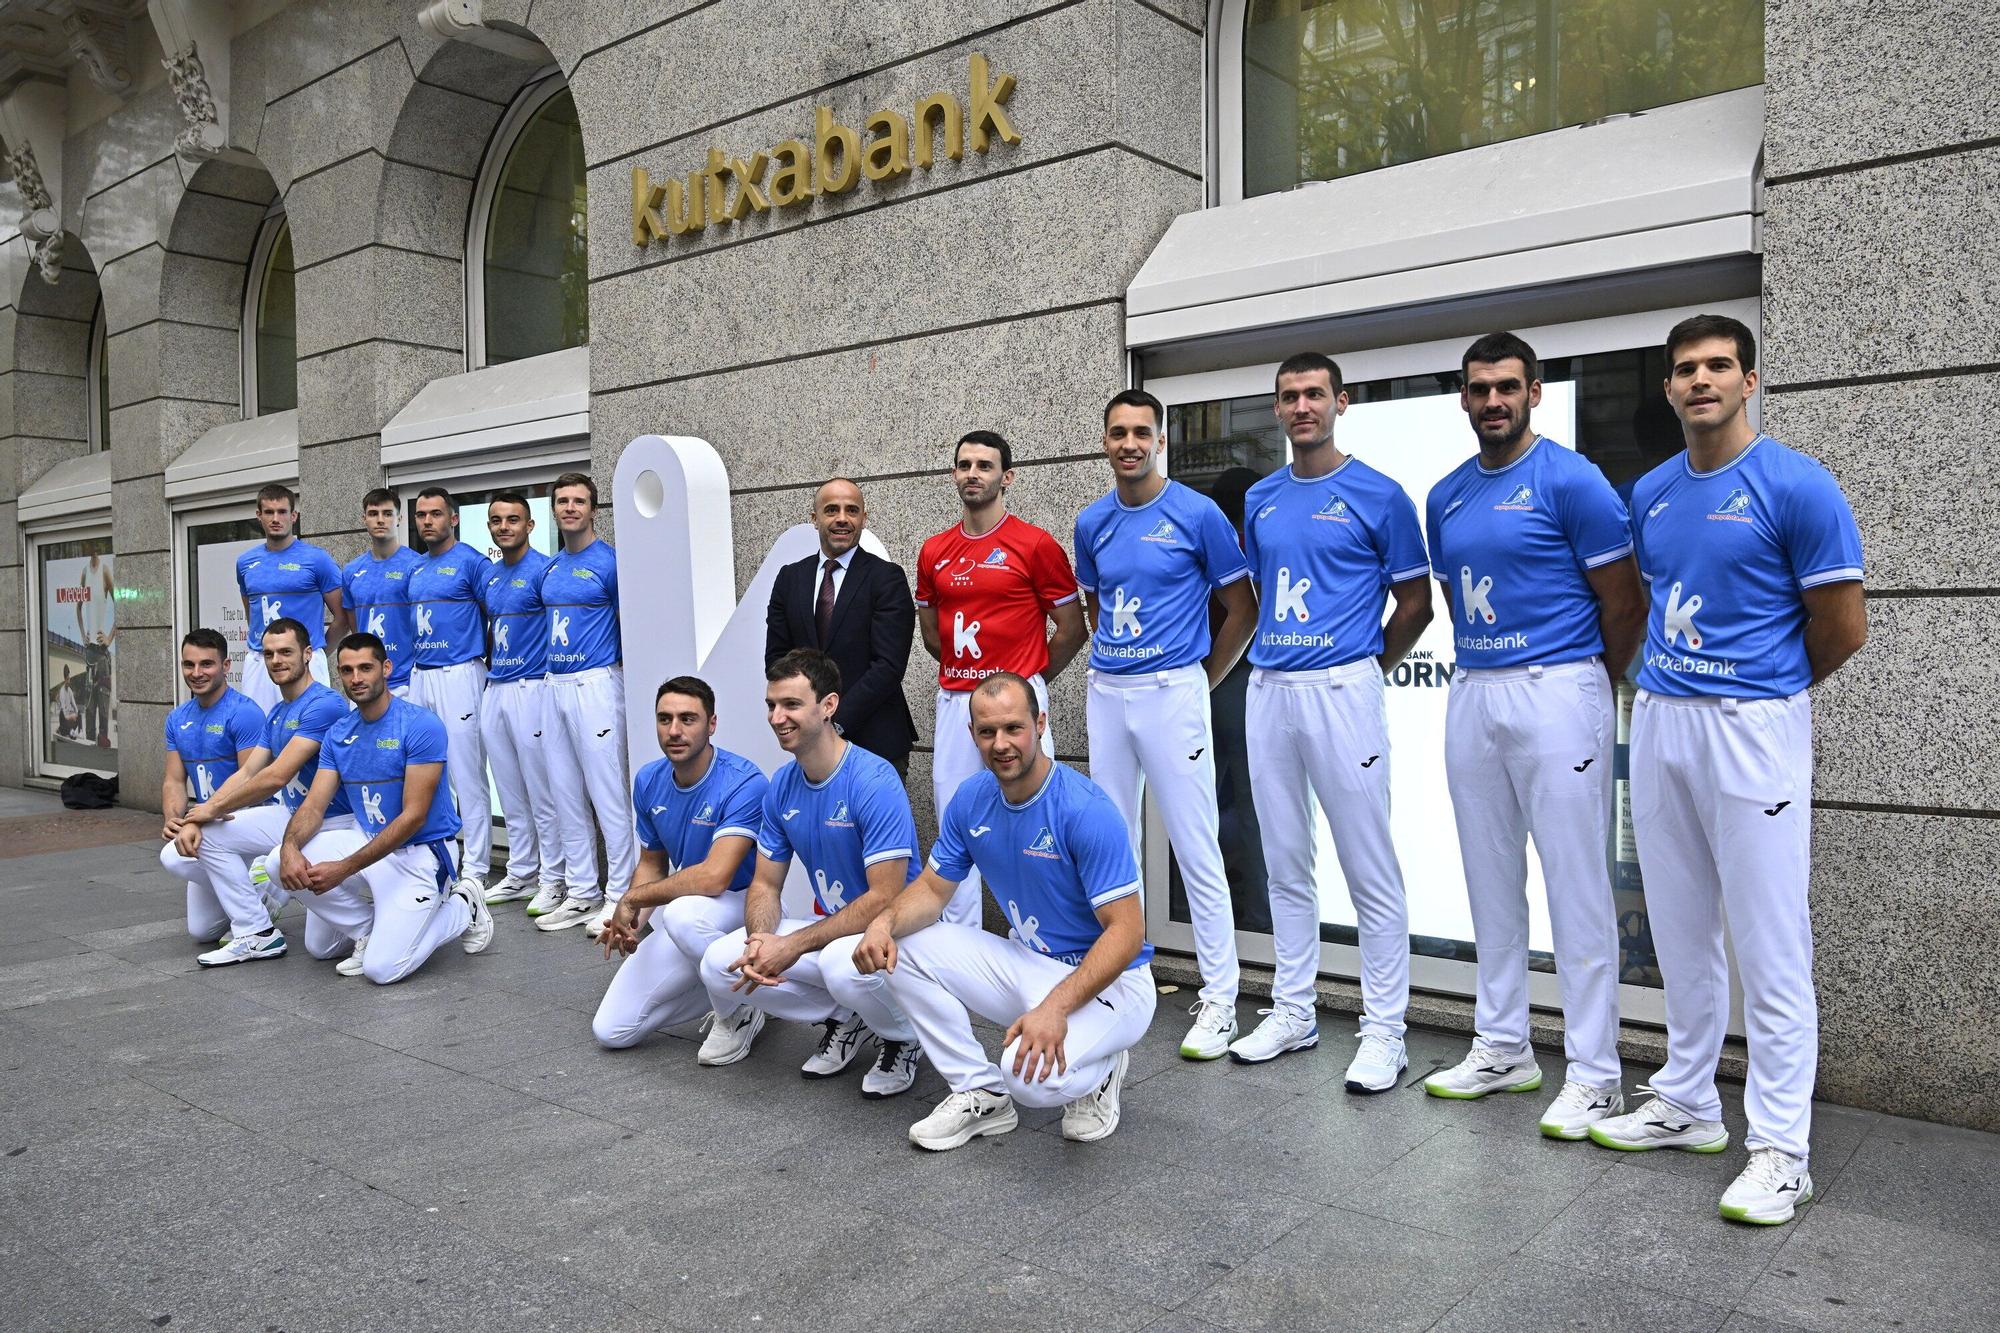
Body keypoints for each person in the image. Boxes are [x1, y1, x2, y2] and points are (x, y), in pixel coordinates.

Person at [1587, 314, 1866, 1227]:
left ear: (1749, 380)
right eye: (1684, 370)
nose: (1699, 380)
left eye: (1717, 366)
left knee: (1770, 939)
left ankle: (1782, 1149)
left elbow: (1841, 626)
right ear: (1668, 389)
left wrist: (1768, 691)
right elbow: (1646, 602)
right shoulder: (1654, 491)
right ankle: (1688, 1099)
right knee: (1680, 925)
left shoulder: (1797, 484)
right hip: (1663, 721)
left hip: (1753, 727)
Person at [1420, 332, 1645, 1139]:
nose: (1493, 402)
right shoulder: (1444, 495)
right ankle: (1503, 1045)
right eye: (1479, 389)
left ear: (1535, 391)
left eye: (1507, 387)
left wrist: (1590, 678)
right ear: (1463, 397)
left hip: (1561, 684)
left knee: (1576, 886)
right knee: (1488, 878)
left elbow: (1624, 603)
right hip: (1477, 687)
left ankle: (1596, 1074)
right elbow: (1452, 594)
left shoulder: (1572, 480)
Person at [840, 672, 1155, 1149]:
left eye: (1013, 728)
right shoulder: (971, 799)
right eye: (987, 732)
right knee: (900, 946)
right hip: (1029, 965)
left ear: (1040, 723)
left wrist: (1055, 1008)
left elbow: (1127, 933)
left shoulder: (1085, 809)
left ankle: (1101, 1070)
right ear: (972, 736)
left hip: (1114, 983)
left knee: (1029, 1079)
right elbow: (930, 889)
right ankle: (978, 1090)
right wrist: (882, 924)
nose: (1001, 744)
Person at [1232, 352, 1433, 1090]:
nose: (1302, 406)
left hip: (1342, 686)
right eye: (1289, 396)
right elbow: (1258, 591)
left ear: (1340, 402)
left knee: (1367, 864)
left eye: (1315, 393)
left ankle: (1386, 1031)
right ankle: (1295, 1009)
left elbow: (1416, 603)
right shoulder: (1260, 497)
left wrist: (1361, 667)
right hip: (1271, 685)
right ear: (1278, 408)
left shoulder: (1379, 494)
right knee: (1284, 858)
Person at [1073, 388, 1258, 1061]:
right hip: (1109, 690)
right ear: (1105, 440)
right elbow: (1096, 601)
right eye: (1117, 431)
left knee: (1194, 842)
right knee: (1111, 842)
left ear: (1160, 441)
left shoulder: (1197, 513)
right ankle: (1127, 974)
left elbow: (1242, 606)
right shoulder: (1091, 522)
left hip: (1172, 689)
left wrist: (1198, 679)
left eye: (1141, 432)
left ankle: (1219, 999)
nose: (1129, 443)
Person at [696, 649, 926, 1097]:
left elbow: (884, 897)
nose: (777, 717)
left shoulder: (873, 779)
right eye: (771, 705)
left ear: (829, 706)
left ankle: (905, 1035)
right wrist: (761, 938)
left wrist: (792, 946)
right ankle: (850, 1015)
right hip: (837, 932)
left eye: (791, 705)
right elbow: (765, 882)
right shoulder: (782, 784)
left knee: (843, 966)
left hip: (898, 935)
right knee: (717, 964)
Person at [915, 430, 1087, 924]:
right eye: (964, 464)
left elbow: (1072, 628)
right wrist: (972, 680)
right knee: (956, 820)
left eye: (985, 465)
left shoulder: (1034, 544)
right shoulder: (934, 550)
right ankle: (959, 950)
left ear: (1006, 477)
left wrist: (1025, 684)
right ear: (954, 474)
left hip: (1019, 703)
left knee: (1037, 822)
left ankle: (1044, 941)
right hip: (957, 704)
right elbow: (932, 634)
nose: (973, 473)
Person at [276, 632, 495, 984]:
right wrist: (289, 847)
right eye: (347, 671)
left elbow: (414, 816)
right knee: (282, 871)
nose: (356, 678)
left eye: (365, 668)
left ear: (386, 668)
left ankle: (462, 907)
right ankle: (367, 928)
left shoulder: (420, 725)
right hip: (369, 845)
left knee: (382, 970)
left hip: (421, 855)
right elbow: (314, 806)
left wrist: (344, 869)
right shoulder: (338, 732)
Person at [591, 676, 769, 1051]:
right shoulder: (649, 780)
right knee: (611, 1031)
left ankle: (736, 1014)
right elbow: (653, 862)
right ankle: (749, 1000)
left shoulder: (744, 781)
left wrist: (634, 898)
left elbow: (715, 878)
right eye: (664, 719)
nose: (674, 730)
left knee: (681, 914)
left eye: (688, 719)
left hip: (744, 912)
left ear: (712, 724)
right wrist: (633, 922)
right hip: (692, 917)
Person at [171, 618, 353, 967]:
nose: (276, 660)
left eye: (286, 652)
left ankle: (375, 915)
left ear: (308, 654)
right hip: (291, 816)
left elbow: (276, 776)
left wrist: (209, 810)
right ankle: (256, 932)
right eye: (268, 654)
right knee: (208, 837)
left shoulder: (325, 704)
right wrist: (202, 813)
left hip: (333, 822)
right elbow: (248, 771)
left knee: (321, 948)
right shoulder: (278, 712)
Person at [534, 472, 638, 938]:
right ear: (553, 510)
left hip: (596, 684)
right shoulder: (551, 569)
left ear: (593, 509)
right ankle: (582, 891)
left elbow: (628, 624)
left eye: (579, 501)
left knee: (607, 793)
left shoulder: (610, 562)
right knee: (563, 793)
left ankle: (620, 894)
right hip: (554, 684)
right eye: (562, 501)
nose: (570, 508)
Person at [764, 478, 918, 774]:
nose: (842, 519)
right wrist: (809, 719)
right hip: (809, 742)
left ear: (863, 518)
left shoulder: (887, 578)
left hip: (875, 739)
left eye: (852, 510)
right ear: (815, 519)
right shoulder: (789, 578)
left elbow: (888, 665)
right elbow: (777, 660)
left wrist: (832, 722)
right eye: (831, 510)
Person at [158, 629, 274, 956]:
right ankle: (256, 888)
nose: (196, 673)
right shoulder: (177, 718)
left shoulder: (244, 712)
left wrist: (203, 818)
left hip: (243, 820)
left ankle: (266, 882)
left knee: (172, 856)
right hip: (207, 821)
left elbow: (252, 784)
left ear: (225, 665)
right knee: (202, 931)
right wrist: (174, 819)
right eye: (189, 664)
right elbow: (174, 781)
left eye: (206, 664)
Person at [477, 491, 565, 911]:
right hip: (495, 688)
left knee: (540, 790)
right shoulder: (490, 577)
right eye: (497, 520)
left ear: (530, 526)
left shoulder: (545, 571)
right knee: (509, 791)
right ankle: (522, 872)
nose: (504, 526)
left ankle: (555, 878)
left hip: (532, 689)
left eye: (513, 520)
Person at [407, 486, 494, 895]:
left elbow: (495, 614)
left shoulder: (473, 563)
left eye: (435, 514)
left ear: (453, 518)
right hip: (421, 675)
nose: (427, 521)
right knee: (426, 771)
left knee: (466, 772)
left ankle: (476, 865)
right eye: (421, 514)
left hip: (461, 673)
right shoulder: (416, 569)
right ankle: (439, 855)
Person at [234, 483, 343, 710]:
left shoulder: (317, 560)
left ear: (294, 516)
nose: (276, 518)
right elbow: (252, 615)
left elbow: (343, 618)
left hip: (305, 662)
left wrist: (314, 651)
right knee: (258, 733)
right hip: (260, 663)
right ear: (259, 516)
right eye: (269, 512)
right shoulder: (245, 563)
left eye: (282, 512)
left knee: (309, 734)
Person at [340, 489, 423, 699]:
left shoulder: (416, 565)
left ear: (399, 518)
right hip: (365, 681)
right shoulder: (351, 570)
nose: (380, 520)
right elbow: (355, 627)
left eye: (387, 513)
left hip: (407, 681)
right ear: (364, 519)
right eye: (373, 513)